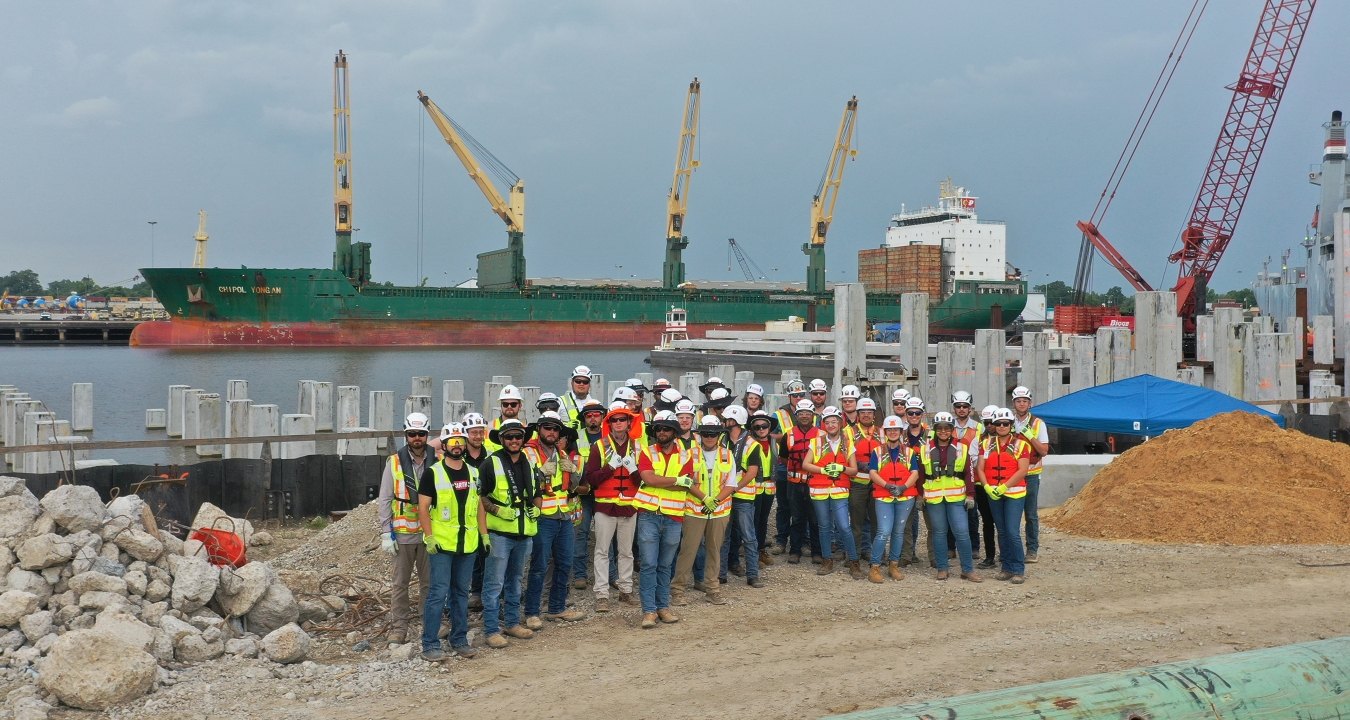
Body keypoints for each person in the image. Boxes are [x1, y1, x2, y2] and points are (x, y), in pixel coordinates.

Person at [417, 423, 488, 661]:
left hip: (467, 544)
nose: (457, 446)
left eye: (460, 441)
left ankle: (459, 639)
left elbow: (478, 505)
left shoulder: (473, 472)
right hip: (442, 545)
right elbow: (423, 508)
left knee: (460, 593)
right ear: (444, 445)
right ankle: (429, 644)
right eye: (452, 442)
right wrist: (429, 537)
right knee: (437, 594)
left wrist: (484, 534)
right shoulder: (433, 473)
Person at [478, 418, 541, 649]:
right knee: (494, 583)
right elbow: (480, 497)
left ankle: (512, 623)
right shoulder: (490, 463)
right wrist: (496, 510)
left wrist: (538, 506)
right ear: (502, 440)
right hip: (500, 534)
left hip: (524, 533)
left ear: (523, 439)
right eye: (510, 437)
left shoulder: (529, 462)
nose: (515, 440)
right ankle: (492, 629)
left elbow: (537, 491)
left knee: (515, 581)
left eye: (518, 436)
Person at [522, 412, 586, 628]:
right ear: (539, 430)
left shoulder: (561, 454)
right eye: (547, 428)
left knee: (565, 563)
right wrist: (541, 472)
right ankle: (532, 612)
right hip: (543, 517)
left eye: (555, 429)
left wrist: (573, 470)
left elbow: (573, 484)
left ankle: (556, 608)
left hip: (563, 515)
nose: (551, 432)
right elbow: (525, 482)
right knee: (539, 566)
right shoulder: (528, 453)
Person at [376, 412, 433, 644]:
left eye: (420, 434)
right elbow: (384, 499)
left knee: (429, 583)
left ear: (427, 434)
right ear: (405, 435)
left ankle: (429, 623)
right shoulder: (395, 462)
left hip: (429, 534)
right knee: (400, 584)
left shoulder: (437, 460)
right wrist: (385, 532)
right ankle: (399, 627)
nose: (416, 438)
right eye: (412, 434)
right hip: (402, 534)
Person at [582, 402, 643, 612]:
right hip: (605, 507)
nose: (618, 423)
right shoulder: (598, 446)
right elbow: (591, 479)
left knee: (626, 552)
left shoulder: (637, 446)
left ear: (628, 423)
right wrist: (610, 467)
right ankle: (602, 595)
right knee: (601, 551)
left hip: (628, 506)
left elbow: (642, 482)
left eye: (622, 419)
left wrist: (633, 470)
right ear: (609, 423)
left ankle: (626, 591)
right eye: (614, 420)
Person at [634, 410, 692, 628]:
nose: (661, 432)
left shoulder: (686, 455)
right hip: (649, 514)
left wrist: (659, 481)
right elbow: (647, 478)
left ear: (674, 432)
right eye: (658, 428)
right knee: (649, 564)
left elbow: (687, 483)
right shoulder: (647, 451)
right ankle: (649, 611)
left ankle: (663, 607)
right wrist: (675, 480)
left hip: (674, 516)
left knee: (665, 565)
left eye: (666, 428)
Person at [672, 416, 737, 606]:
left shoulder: (727, 454)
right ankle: (678, 590)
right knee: (688, 550)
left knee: (714, 550)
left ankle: (712, 590)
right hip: (694, 510)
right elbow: (685, 480)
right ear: (699, 435)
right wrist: (704, 498)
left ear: (719, 435)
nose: (710, 437)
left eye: (713, 434)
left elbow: (731, 484)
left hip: (719, 511)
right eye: (706, 434)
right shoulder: (688, 454)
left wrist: (715, 501)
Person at [802, 406, 862, 578]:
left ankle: (854, 562)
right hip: (819, 489)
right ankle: (827, 560)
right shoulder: (816, 442)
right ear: (823, 425)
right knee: (824, 527)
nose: (830, 425)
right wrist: (823, 471)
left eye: (834, 422)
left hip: (840, 490)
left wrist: (841, 467)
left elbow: (854, 470)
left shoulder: (848, 443)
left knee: (844, 526)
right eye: (827, 422)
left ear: (840, 423)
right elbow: (806, 464)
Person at [921, 412, 981, 583]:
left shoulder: (962, 447)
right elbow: (921, 474)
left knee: (962, 532)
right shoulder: (926, 448)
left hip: (956, 497)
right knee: (939, 533)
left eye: (947, 428)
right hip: (934, 498)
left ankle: (967, 570)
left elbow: (969, 473)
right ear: (935, 429)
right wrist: (920, 496)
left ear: (952, 430)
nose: (943, 431)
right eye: (939, 428)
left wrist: (970, 495)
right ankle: (942, 568)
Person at [977, 408, 1032, 584]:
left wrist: (1004, 486)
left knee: (1012, 531)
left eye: (1005, 424)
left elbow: (1023, 470)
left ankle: (1018, 569)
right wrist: (986, 486)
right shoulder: (985, 444)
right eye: (998, 423)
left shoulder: (1021, 444)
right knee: (1001, 531)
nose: (1001, 426)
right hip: (993, 494)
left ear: (1011, 425)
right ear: (993, 425)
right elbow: (980, 468)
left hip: (1014, 493)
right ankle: (1006, 567)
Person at [867, 414, 919, 582]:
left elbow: (915, 473)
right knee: (883, 531)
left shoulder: (909, 452)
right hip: (884, 495)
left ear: (901, 431)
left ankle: (893, 565)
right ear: (885, 431)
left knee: (898, 531)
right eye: (890, 430)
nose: (893, 432)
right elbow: (872, 472)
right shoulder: (878, 451)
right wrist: (887, 485)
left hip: (905, 496)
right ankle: (874, 567)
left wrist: (903, 487)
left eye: (896, 429)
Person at [728, 408, 772, 587]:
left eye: (728, 419)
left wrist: (733, 488)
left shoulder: (751, 444)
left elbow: (752, 472)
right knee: (725, 537)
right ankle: (722, 572)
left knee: (748, 536)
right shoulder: (722, 440)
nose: (725, 421)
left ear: (735, 421)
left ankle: (752, 574)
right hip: (725, 496)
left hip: (743, 496)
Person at [571, 399, 608, 591]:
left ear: (602, 417)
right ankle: (579, 574)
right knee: (581, 532)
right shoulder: (576, 438)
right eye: (589, 416)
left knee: (607, 535)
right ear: (584, 419)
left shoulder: (609, 437)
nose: (593, 419)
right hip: (584, 494)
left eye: (596, 415)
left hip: (605, 492)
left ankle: (611, 575)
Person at [778, 399, 821, 564]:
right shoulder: (788, 435)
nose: (804, 416)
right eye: (801, 413)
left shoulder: (820, 435)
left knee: (815, 518)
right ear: (796, 415)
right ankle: (794, 550)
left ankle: (816, 551)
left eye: (807, 413)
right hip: (794, 483)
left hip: (814, 482)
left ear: (813, 416)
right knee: (796, 518)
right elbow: (783, 458)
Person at [1011, 386, 1050, 563]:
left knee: (1031, 514)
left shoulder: (1038, 424)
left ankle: (1032, 549)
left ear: (1030, 403)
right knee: (1012, 514)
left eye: (1024, 401)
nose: (1021, 404)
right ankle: (1012, 549)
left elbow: (1043, 450)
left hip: (1031, 474)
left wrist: (1030, 436)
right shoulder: (1007, 422)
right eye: (1018, 401)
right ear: (1014, 403)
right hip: (1012, 475)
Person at [771, 380, 808, 554]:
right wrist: (784, 437)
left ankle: (804, 541)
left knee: (805, 505)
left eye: (801, 395)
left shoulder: (811, 414)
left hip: (806, 465)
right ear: (789, 397)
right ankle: (781, 540)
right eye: (795, 395)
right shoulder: (779, 414)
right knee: (784, 505)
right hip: (784, 463)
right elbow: (767, 432)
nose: (798, 398)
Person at [461, 412, 491, 610]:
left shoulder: (489, 457)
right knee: (466, 556)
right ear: (466, 433)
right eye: (474, 432)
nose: (478, 436)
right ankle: (467, 592)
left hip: (486, 512)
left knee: (484, 554)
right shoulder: (457, 455)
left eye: (481, 432)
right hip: (463, 514)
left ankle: (481, 593)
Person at [845, 397, 881, 562]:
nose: (866, 415)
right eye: (863, 412)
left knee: (876, 522)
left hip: (877, 484)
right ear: (857, 414)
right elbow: (844, 455)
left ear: (874, 414)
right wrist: (859, 464)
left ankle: (876, 555)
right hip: (857, 483)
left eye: (869, 412)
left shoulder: (882, 432)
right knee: (856, 523)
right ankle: (854, 556)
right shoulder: (848, 432)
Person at [899, 397, 932, 567]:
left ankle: (934, 557)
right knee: (906, 523)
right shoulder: (900, 436)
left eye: (917, 413)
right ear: (906, 414)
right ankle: (907, 555)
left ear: (922, 414)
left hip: (928, 484)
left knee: (933, 524)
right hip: (907, 484)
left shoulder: (931, 435)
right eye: (910, 413)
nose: (913, 416)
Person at [972, 404, 1000, 569]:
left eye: (992, 421)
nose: (990, 425)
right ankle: (990, 557)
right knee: (988, 522)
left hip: (1003, 485)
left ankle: (1006, 555)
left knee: (1003, 523)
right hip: (982, 486)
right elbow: (974, 462)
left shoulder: (1011, 440)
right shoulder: (979, 440)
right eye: (986, 421)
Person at [483, 385, 526, 453]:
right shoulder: (488, 428)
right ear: (501, 406)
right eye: (505, 404)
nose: (509, 407)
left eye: (513, 404)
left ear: (520, 406)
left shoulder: (527, 430)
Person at [560, 365, 594, 429]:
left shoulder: (595, 404)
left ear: (589, 384)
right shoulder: (560, 402)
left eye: (585, 382)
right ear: (572, 382)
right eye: (578, 381)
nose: (581, 384)